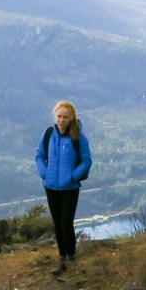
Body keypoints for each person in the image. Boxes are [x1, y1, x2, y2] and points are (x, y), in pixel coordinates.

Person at [35, 100, 92, 272]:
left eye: (65, 117)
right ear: (55, 115)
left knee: (66, 222)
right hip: (51, 186)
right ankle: (62, 258)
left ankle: (71, 257)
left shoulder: (78, 137)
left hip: (70, 188)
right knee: (57, 223)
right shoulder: (48, 134)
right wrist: (45, 174)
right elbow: (39, 156)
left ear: (72, 118)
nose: (61, 120)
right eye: (59, 116)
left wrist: (73, 176)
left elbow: (86, 161)